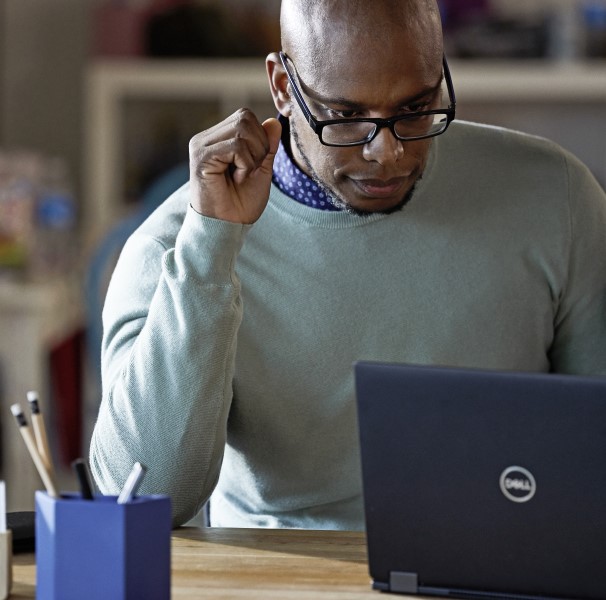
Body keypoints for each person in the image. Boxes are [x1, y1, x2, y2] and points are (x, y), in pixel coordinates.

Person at [90, 0, 606, 529]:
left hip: (503, 565)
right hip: (291, 582)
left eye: (415, 108)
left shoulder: (554, 198)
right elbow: (142, 502)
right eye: (344, 117)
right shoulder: (177, 246)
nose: (387, 153)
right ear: (283, 88)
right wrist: (212, 244)